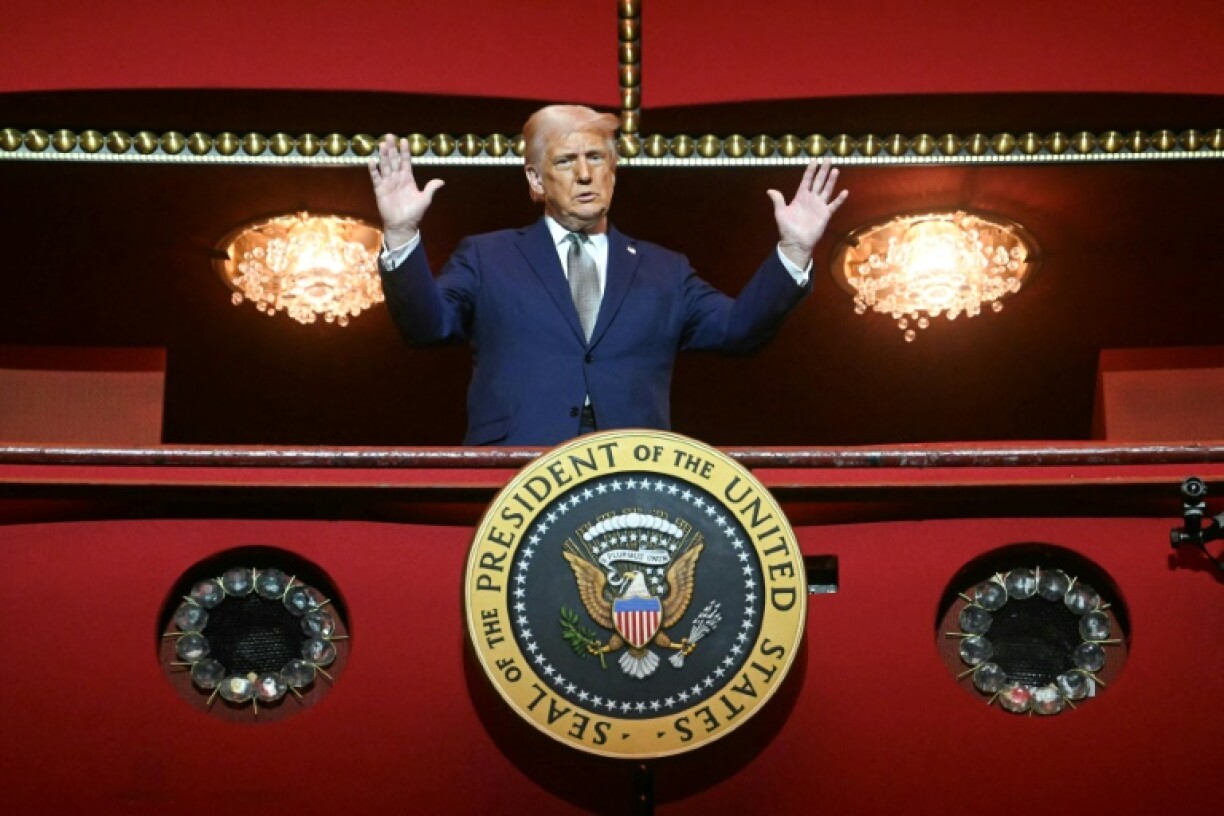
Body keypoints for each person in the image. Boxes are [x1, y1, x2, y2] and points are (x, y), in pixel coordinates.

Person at [369, 105, 847, 446]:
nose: (584, 174)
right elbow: (426, 327)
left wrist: (794, 249)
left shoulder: (665, 269)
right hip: (516, 472)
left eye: (596, 158)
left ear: (614, 172)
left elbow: (739, 330)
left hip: (632, 474)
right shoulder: (487, 256)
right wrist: (401, 233)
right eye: (564, 160)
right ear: (536, 181)